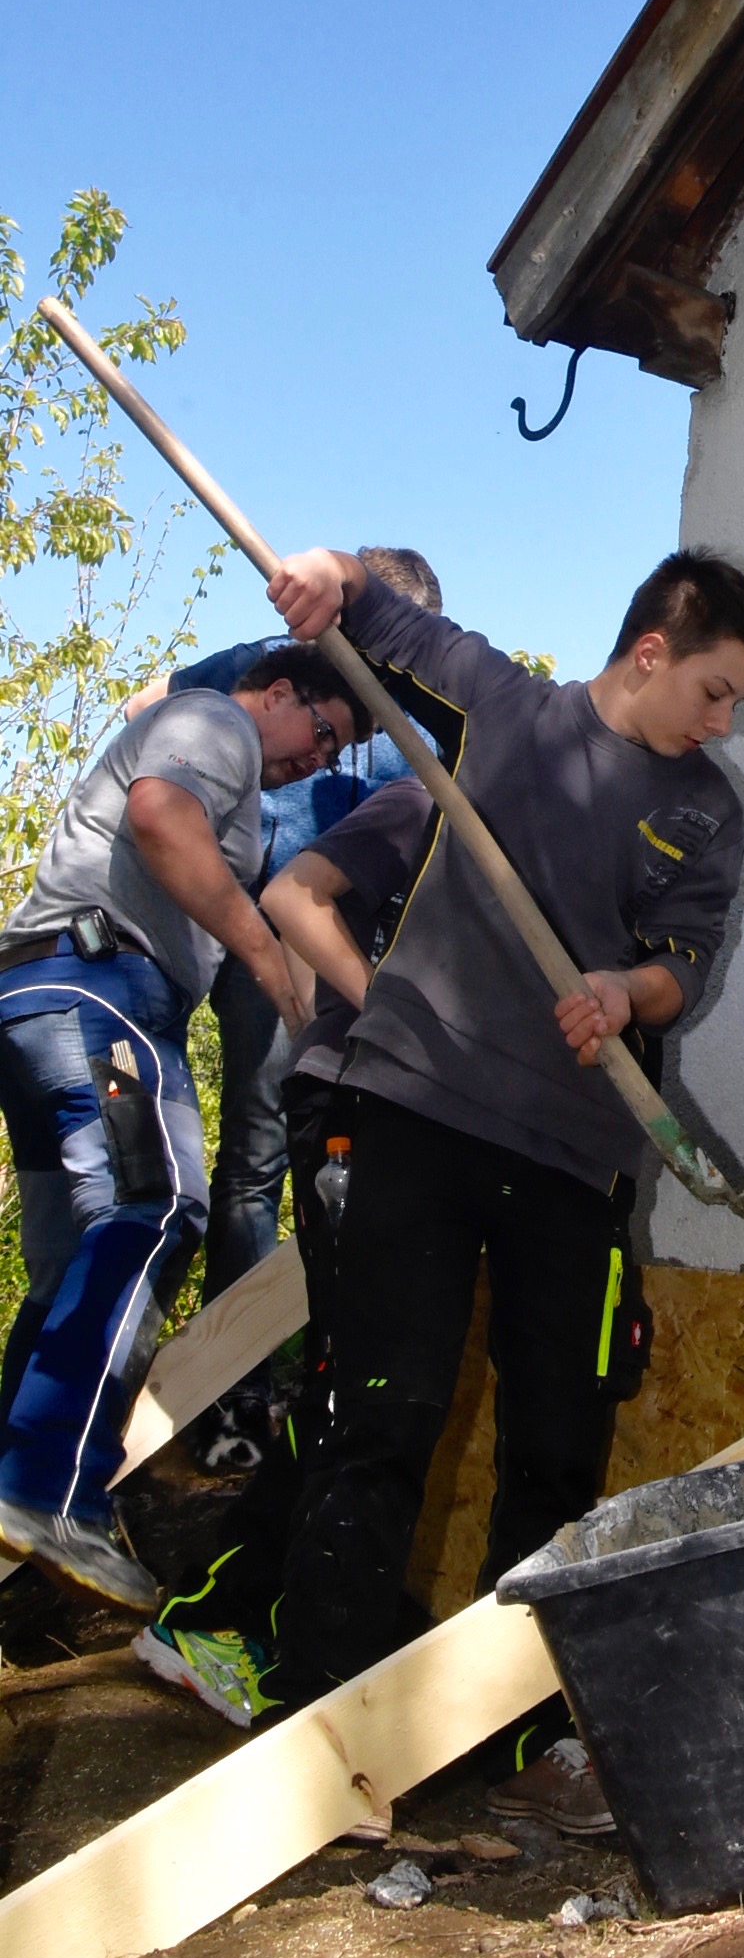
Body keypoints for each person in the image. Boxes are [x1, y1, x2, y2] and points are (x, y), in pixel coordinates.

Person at [242, 545, 744, 1812]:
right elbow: (381, 619)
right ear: (650, 651)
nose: (724, 721)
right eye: (714, 690)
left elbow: (684, 965)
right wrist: (327, 575)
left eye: (737, 701)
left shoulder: (708, 810)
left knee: (554, 1442)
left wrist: (624, 991)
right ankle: (313, 1741)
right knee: (381, 1418)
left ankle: (517, 1744)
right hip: (415, 1117)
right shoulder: (510, 710)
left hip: (572, 1158)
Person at [0, 645, 365, 1607]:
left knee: (72, 1265)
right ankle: (47, 1492)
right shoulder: (216, 721)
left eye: (335, 752)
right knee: (158, 1207)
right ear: (278, 692)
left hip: (42, 1002)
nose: (318, 758)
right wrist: (267, 958)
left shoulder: (232, 756)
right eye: (322, 731)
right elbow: (161, 815)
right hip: (101, 992)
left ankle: (13, 1477)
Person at [128, 545, 443, 1469]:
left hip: (332, 953)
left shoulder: (415, 722)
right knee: (226, 1159)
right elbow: (149, 709)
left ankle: (304, 1384)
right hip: (228, 924)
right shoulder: (270, 670)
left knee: (315, 1160)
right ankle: (222, 1398)